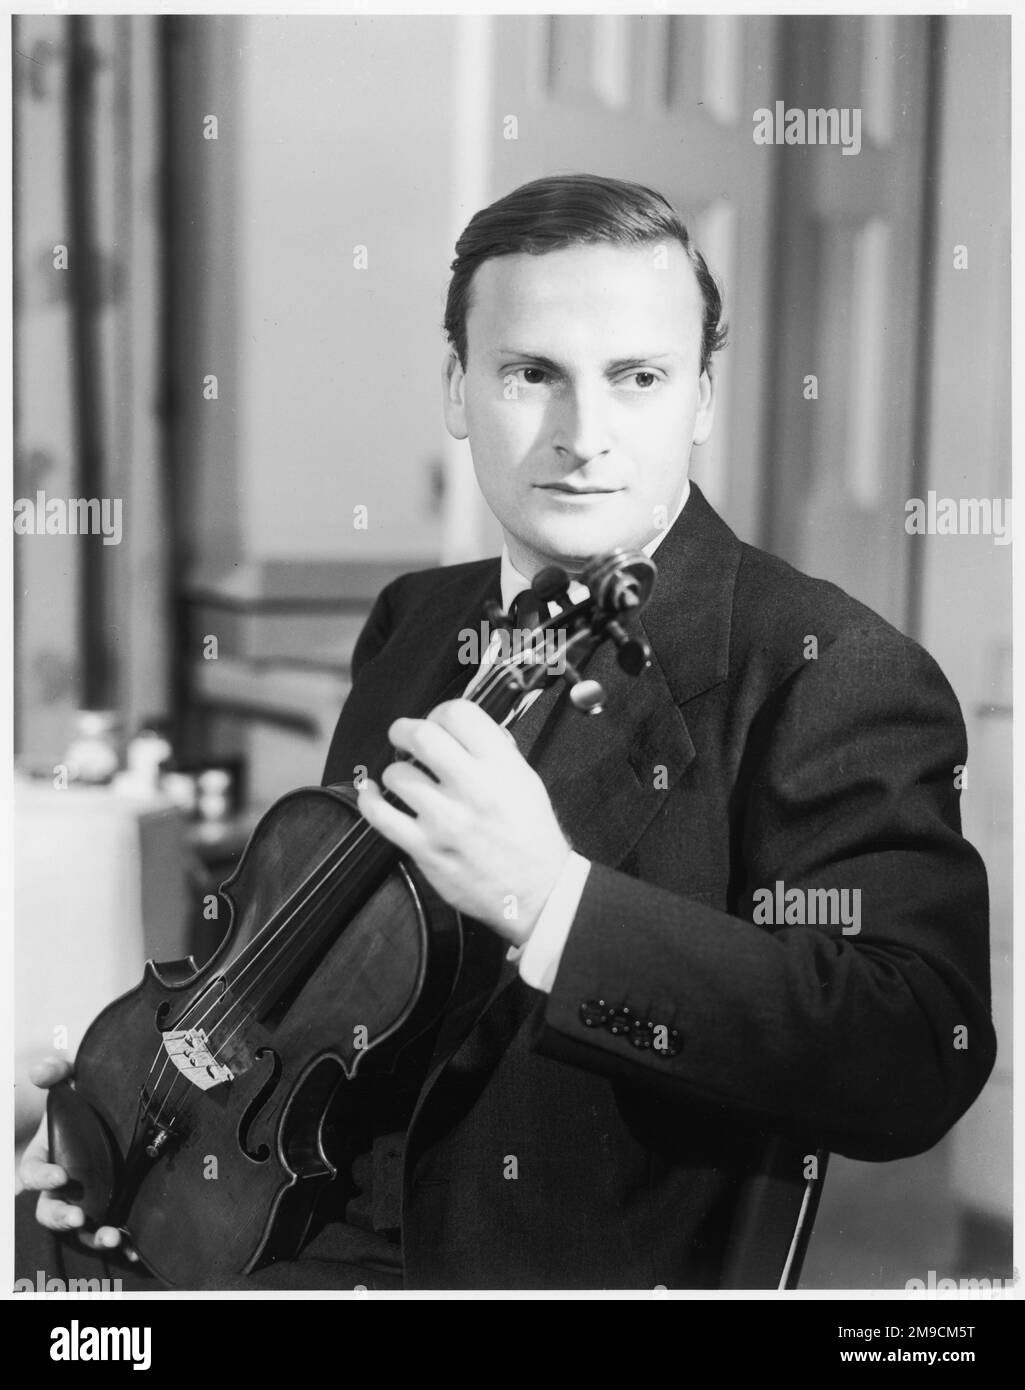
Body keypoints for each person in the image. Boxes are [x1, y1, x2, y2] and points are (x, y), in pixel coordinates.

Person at [17, 174, 995, 1291]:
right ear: (456, 387)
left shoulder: (829, 668)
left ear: (700, 399)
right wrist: (147, 1154)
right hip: (293, 1245)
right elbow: (314, 1017)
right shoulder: (414, 620)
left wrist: (550, 901)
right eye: (531, 374)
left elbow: (914, 1050)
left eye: (636, 378)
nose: (581, 437)